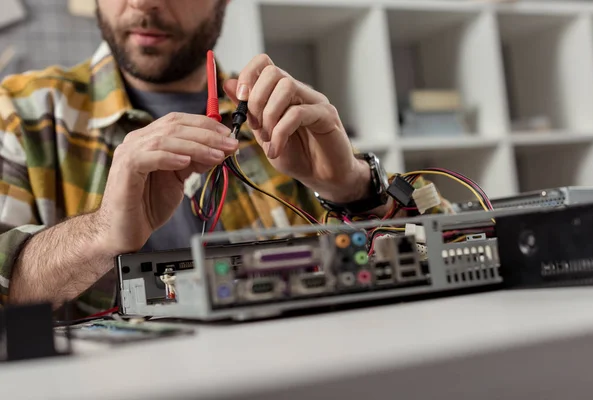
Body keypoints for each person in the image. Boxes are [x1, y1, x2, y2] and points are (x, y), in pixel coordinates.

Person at [0, 0, 426, 313]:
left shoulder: (280, 117)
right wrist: (99, 234)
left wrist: (352, 188)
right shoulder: (23, 112)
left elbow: (454, 250)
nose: (144, 3)